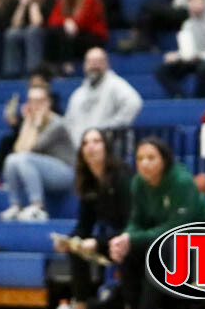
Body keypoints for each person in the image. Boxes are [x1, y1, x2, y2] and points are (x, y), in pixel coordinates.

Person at [109, 138, 205, 309]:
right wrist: (125, 237)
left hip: (198, 239)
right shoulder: (138, 183)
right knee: (127, 252)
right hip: (163, 238)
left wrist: (133, 239)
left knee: (159, 252)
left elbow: (177, 228)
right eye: (140, 159)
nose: (144, 163)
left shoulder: (181, 182)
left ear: (164, 160)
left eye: (151, 158)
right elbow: (136, 220)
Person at [50, 128, 130, 309]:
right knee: (76, 249)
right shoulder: (89, 182)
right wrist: (68, 241)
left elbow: (130, 226)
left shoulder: (122, 177)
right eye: (85, 143)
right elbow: (83, 226)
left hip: (131, 238)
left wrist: (97, 243)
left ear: (106, 147)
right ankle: (81, 303)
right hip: (112, 241)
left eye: (96, 141)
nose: (90, 147)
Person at [0, 85, 75, 221]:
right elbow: (18, 150)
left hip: (66, 173)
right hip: (42, 170)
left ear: (48, 103)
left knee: (24, 159)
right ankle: (16, 205)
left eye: (39, 101)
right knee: (11, 159)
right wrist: (28, 123)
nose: (35, 106)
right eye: (31, 101)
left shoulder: (57, 124)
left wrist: (32, 124)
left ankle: (38, 207)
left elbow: (30, 149)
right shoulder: (32, 122)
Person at [155, 0, 205, 98]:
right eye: (192, 1)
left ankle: (199, 99)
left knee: (204, 69)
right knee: (161, 70)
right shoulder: (187, 24)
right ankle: (180, 96)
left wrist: (200, 56)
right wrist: (177, 55)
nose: (194, 4)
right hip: (193, 60)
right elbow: (186, 51)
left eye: (198, 1)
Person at [63, 48, 142, 144]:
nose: (94, 65)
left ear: (107, 64)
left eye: (98, 61)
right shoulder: (78, 94)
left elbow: (134, 103)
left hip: (107, 147)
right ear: (84, 65)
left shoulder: (116, 84)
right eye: (90, 62)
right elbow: (68, 122)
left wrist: (110, 128)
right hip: (80, 148)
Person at [46, 0, 107, 74]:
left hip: (92, 36)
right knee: (54, 31)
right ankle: (51, 66)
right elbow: (52, 20)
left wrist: (69, 22)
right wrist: (66, 21)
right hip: (72, 37)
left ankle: (67, 66)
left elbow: (83, 21)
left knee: (64, 33)